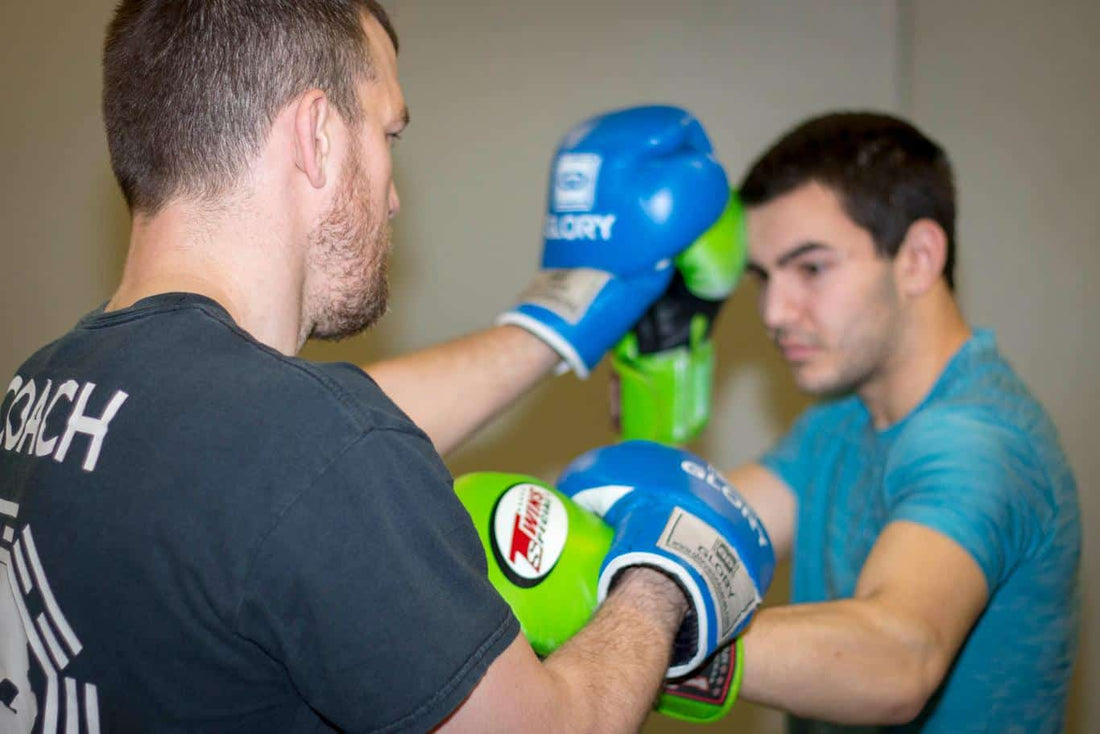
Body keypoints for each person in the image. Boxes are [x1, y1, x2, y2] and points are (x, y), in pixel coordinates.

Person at [0, 1, 755, 732]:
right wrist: (662, 576)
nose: (394, 198)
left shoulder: (42, 385)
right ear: (319, 135)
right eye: (389, 132)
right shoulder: (310, 446)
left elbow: (267, 468)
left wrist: (562, 318)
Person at [719, 112, 1081, 731]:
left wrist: (656, 646)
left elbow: (895, 659)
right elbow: (704, 527)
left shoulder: (981, 442)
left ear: (918, 258)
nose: (774, 311)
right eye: (763, 277)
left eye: (810, 268)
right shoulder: (837, 421)